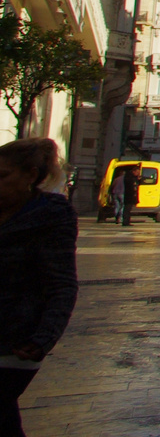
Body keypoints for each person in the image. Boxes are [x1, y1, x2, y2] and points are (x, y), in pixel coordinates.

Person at [0, 138, 79, 437]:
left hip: (16, 342)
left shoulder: (49, 216)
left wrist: (44, 338)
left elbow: (62, 284)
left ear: (30, 175)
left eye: (3, 176)